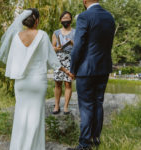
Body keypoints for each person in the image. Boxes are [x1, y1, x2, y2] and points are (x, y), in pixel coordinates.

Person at [0, 8, 73, 150]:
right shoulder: (42, 35)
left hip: (21, 83)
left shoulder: (16, 37)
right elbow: (52, 59)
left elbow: (13, 61)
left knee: (20, 117)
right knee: (35, 118)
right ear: (37, 20)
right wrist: (66, 71)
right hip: (38, 82)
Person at [68, 0, 115, 150]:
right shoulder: (109, 17)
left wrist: (73, 69)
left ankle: (84, 145)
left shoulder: (84, 17)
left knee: (87, 106)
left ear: (84, 1)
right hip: (104, 67)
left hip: (86, 69)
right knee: (98, 103)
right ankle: (95, 139)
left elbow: (79, 45)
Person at [52, 11, 75, 115]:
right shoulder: (56, 32)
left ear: (71, 20)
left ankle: (66, 106)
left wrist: (72, 43)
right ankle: (56, 105)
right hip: (59, 59)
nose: (66, 20)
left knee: (68, 83)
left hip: (70, 58)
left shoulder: (75, 32)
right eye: (64, 18)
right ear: (60, 20)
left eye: (68, 18)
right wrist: (56, 48)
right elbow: (52, 48)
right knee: (57, 83)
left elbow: (79, 46)